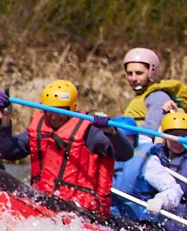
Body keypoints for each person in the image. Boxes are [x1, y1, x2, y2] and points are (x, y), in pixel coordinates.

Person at [22, 79, 133, 216]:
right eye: (49, 111)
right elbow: (8, 151)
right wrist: (5, 117)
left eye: (59, 111)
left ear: (71, 109)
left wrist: (111, 131)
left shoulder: (89, 133)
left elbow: (125, 154)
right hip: (45, 199)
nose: (53, 117)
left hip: (81, 210)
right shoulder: (39, 128)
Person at [119, 47, 187, 128]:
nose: (133, 78)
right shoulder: (140, 97)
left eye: (139, 73)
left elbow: (151, 129)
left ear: (151, 73)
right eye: (130, 73)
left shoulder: (157, 97)